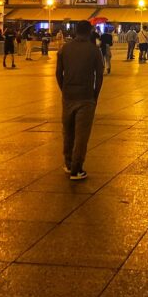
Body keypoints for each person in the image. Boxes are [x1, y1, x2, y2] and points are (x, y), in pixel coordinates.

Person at [56, 20, 105, 181]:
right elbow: (99, 76)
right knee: (81, 135)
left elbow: (58, 73)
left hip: (68, 96)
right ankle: (76, 169)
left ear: (76, 31)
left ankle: (68, 163)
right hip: (86, 96)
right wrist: (95, 95)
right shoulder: (94, 51)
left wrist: (64, 90)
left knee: (68, 132)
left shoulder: (65, 48)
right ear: (90, 31)